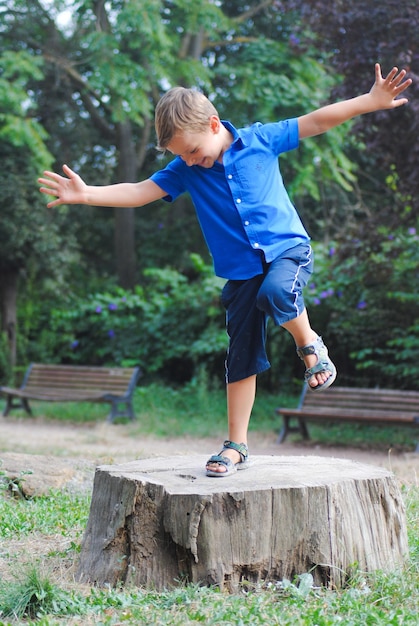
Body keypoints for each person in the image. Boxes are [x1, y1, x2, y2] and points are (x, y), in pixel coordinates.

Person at [39, 63, 411, 477]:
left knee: (275, 293)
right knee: (240, 356)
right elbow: (142, 191)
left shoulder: (260, 140)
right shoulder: (185, 169)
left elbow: (317, 120)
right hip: (240, 272)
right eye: (182, 156)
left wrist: (370, 101)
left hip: (287, 250)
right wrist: (88, 193)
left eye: (193, 151)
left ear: (214, 124)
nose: (191, 161)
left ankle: (311, 347)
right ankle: (236, 445)